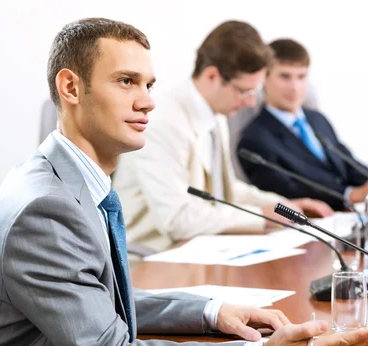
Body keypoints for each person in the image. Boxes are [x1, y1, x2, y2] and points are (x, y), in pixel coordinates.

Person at [0, 19, 368, 346]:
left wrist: (211, 311)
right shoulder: (46, 210)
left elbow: (100, 299)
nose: (148, 101)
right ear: (70, 87)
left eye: (149, 85)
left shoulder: (64, 182)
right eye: (126, 82)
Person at [113, 21, 334, 253]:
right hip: (153, 258)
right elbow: (176, 219)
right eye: (244, 91)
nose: (251, 102)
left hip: (199, 251)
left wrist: (280, 206)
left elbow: (226, 189)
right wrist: (261, 217)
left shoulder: (216, 114)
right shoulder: (164, 121)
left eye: (254, 92)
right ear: (211, 77)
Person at [238, 39, 368, 211]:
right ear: (264, 78)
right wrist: (350, 194)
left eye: (301, 77)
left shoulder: (317, 119)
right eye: (285, 77)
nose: (294, 87)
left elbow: (346, 162)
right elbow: (287, 190)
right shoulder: (255, 139)